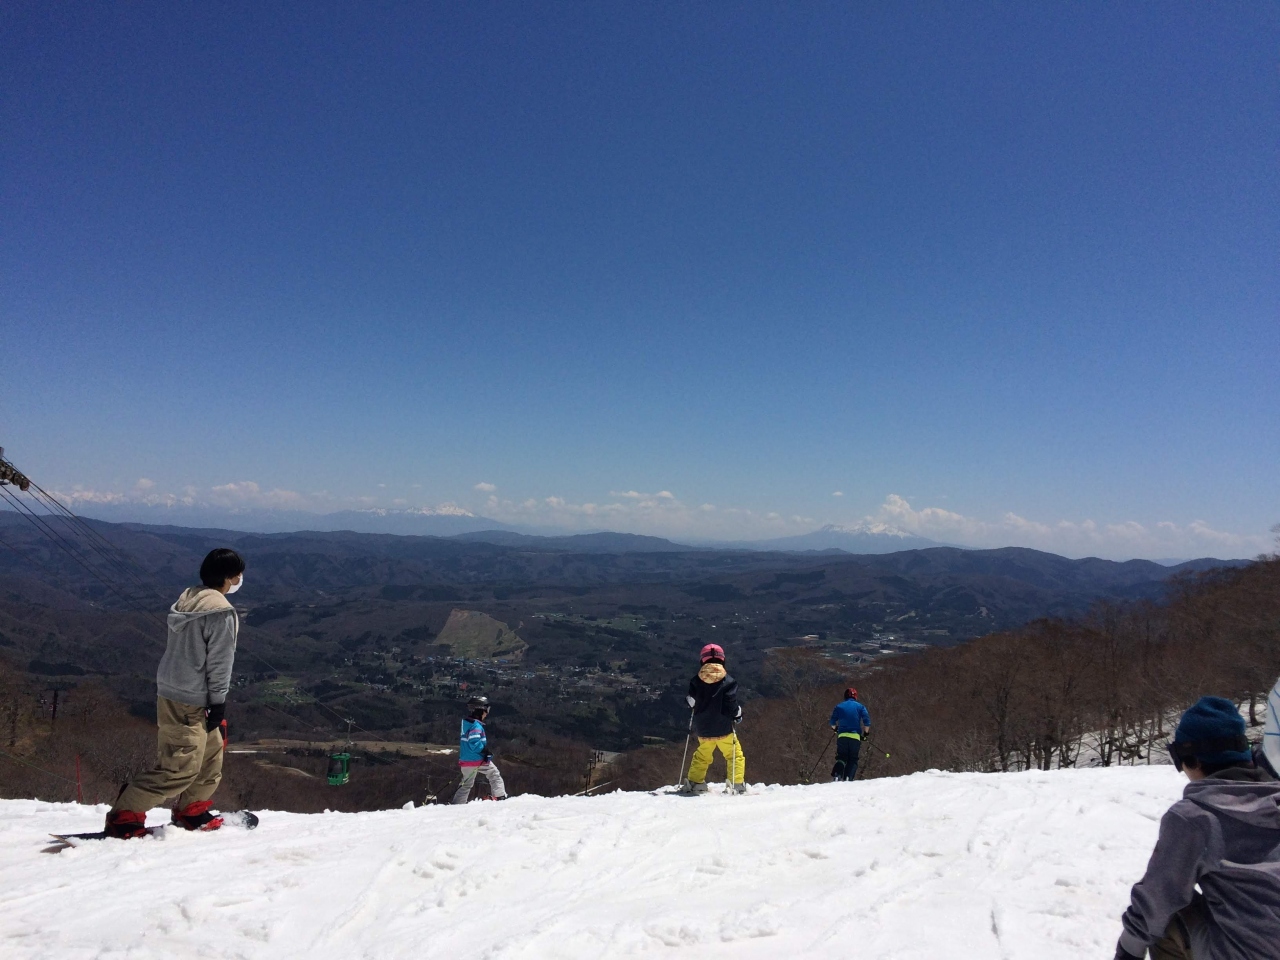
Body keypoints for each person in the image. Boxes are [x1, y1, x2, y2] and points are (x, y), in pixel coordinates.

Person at [1114, 696, 1280, 960]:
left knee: (1169, 914)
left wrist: (1127, 951)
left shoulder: (1196, 817)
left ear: (1192, 761)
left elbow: (1159, 896)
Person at [104, 548, 245, 838]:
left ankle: (193, 808)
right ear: (229, 577)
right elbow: (220, 663)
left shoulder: (188, 599)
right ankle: (126, 813)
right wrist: (219, 702)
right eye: (238, 574)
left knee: (210, 755)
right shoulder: (221, 612)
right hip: (191, 698)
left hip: (173, 689)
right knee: (181, 767)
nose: (240, 579)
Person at [679, 643, 746, 795]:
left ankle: (695, 783)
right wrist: (738, 715)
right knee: (734, 755)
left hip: (704, 729)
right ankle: (736, 783)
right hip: (724, 728)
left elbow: (691, 701)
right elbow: (731, 704)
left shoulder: (696, 681)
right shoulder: (729, 681)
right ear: (722, 659)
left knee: (702, 755)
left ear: (702, 660)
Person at [452, 695, 507, 803]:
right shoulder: (476, 726)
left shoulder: (466, 724)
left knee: (466, 783)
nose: (487, 713)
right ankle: (500, 796)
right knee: (494, 774)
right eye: (487, 710)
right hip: (477, 759)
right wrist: (485, 752)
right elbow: (474, 742)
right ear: (480, 710)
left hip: (465, 760)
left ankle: (458, 803)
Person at [829, 687, 870, 781]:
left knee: (841, 757)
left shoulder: (839, 706)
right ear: (856, 697)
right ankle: (848, 778)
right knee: (853, 759)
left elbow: (832, 722)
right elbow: (867, 722)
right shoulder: (860, 707)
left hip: (842, 736)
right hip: (855, 737)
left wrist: (836, 729)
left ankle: (837, 775)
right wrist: (865, 734)